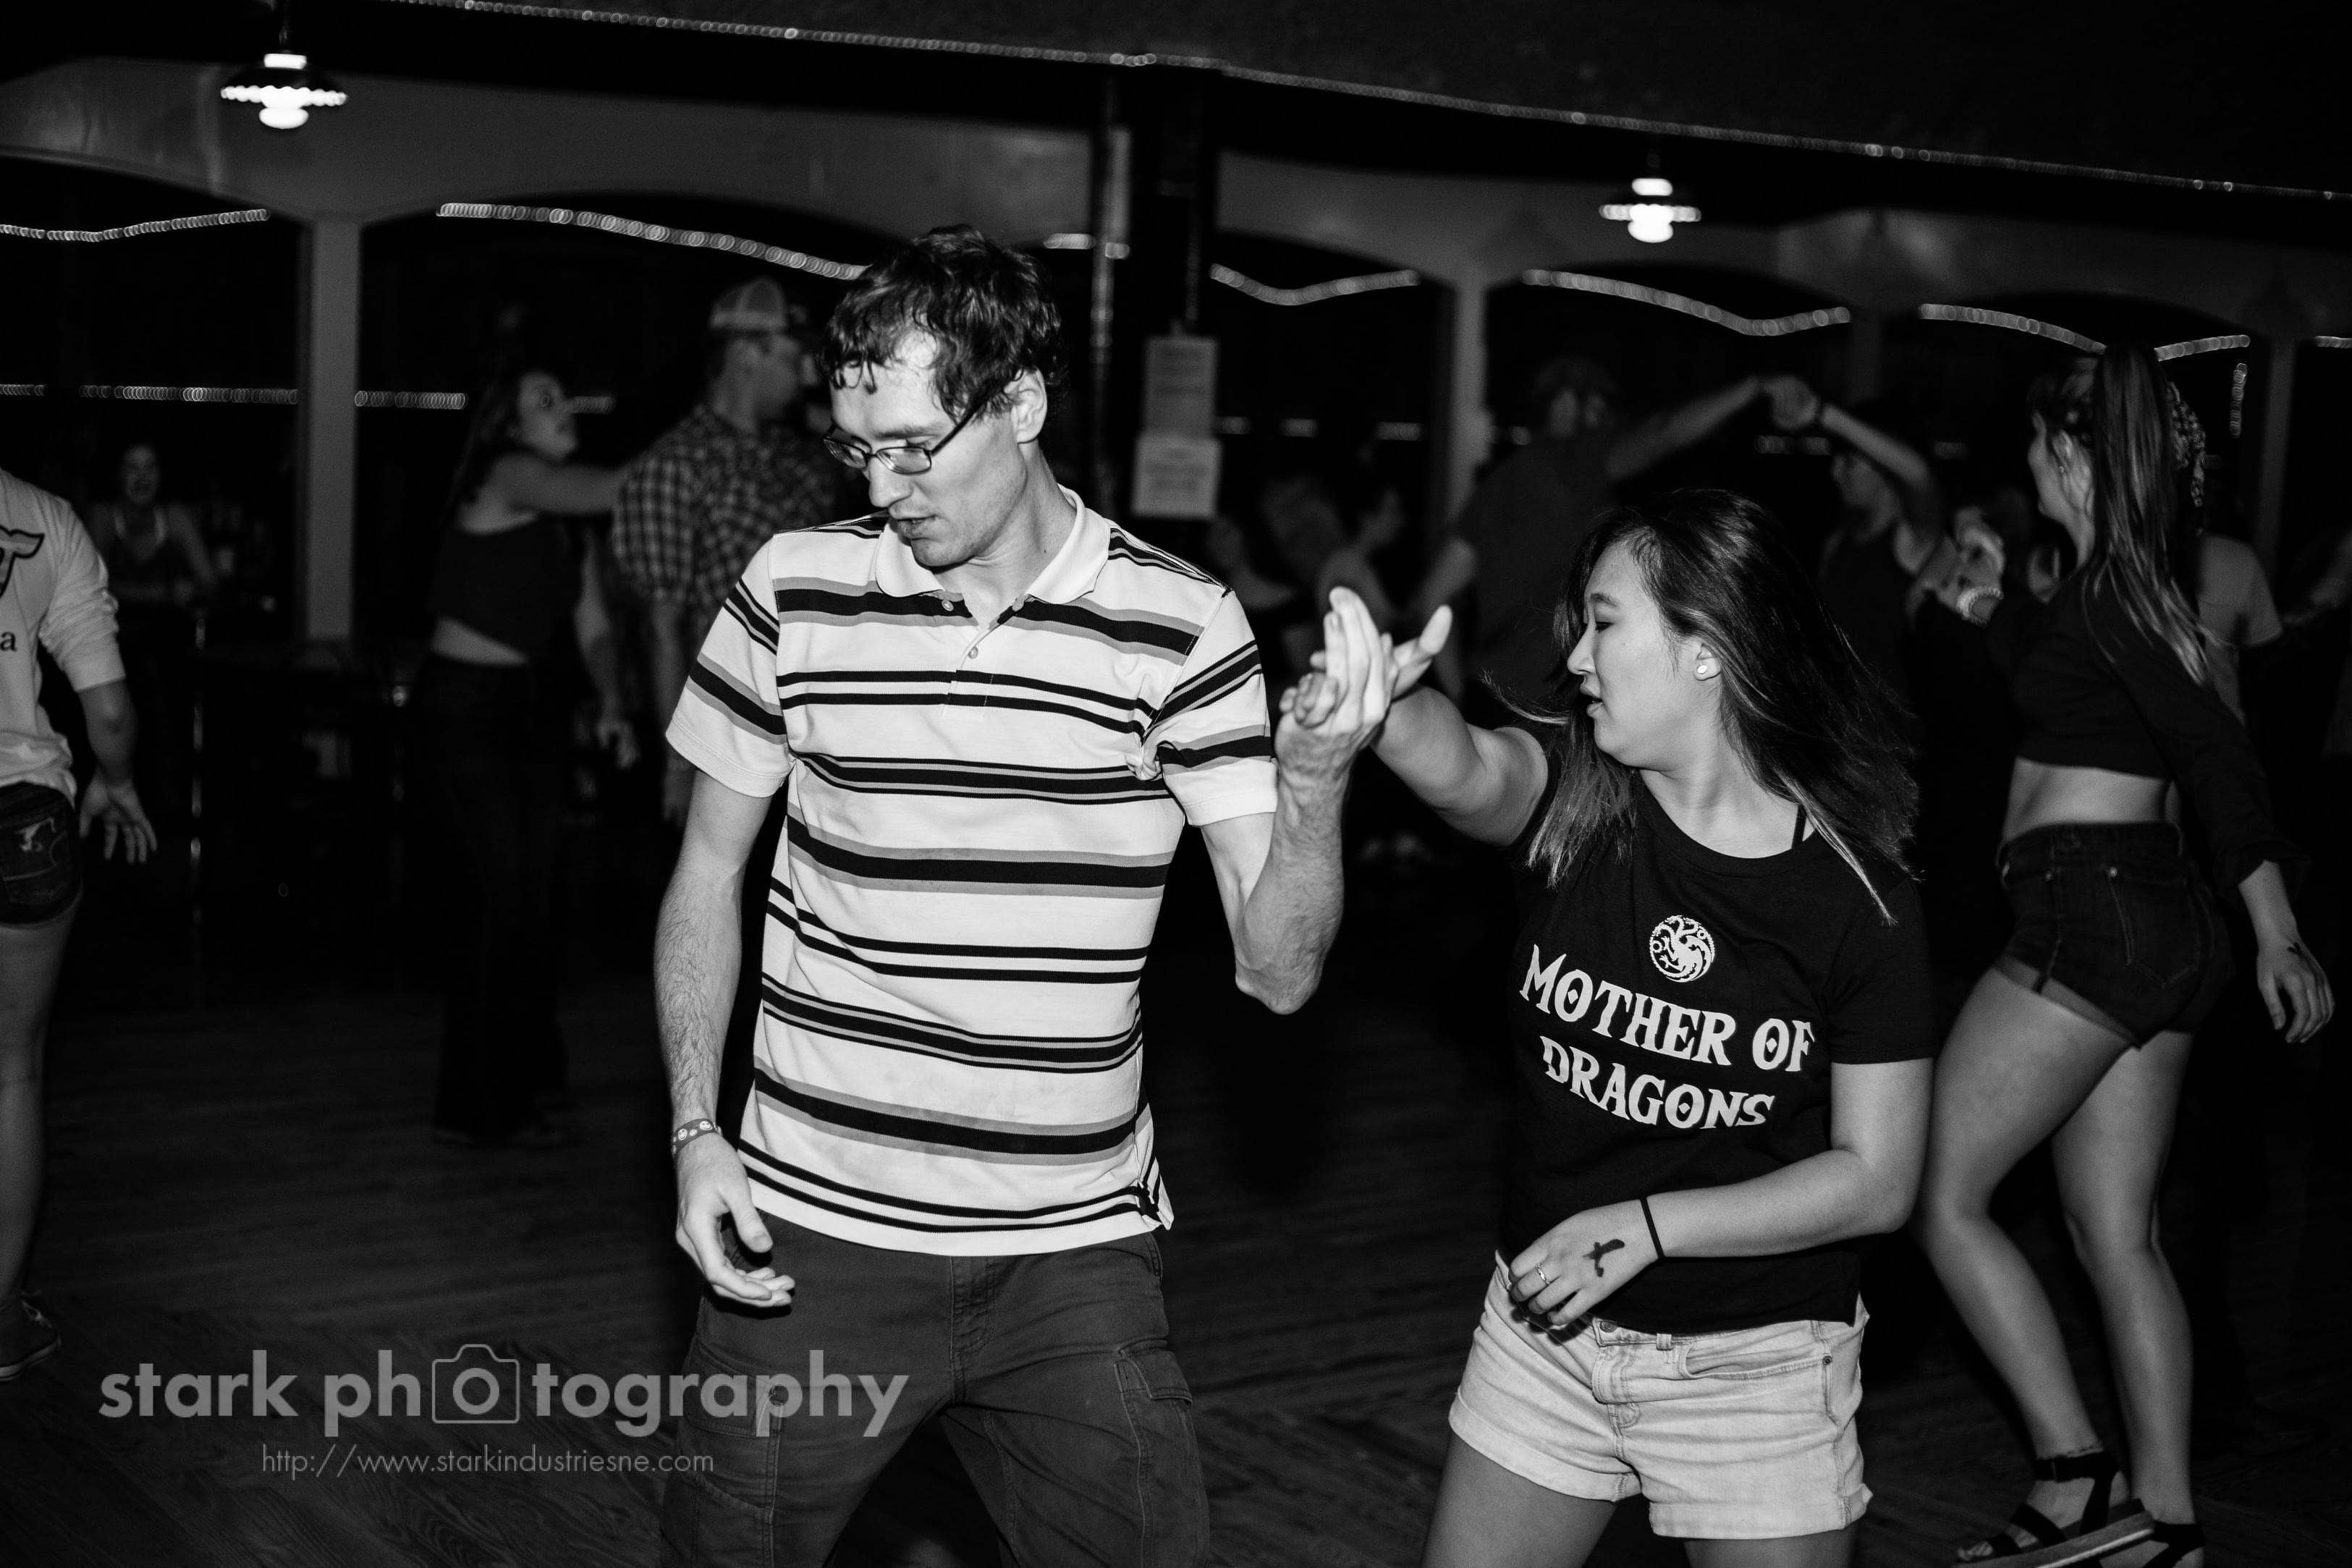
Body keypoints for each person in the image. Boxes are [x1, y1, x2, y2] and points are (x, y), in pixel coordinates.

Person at [650, 225, 1381, 1566]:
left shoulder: (1182, 625)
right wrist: (698, 1130)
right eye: (858, 451)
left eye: (915, 446)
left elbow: (1278, 971)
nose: (886, 486)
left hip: (1072, 1261)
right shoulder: (791, 593)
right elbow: (706, 873)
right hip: (813, 1241)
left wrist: (1318, 780)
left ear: (1023, 404)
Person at [1332, 487, 1934, 1567]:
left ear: (1706, 646)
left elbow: (1877, 1178)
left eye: (1604, 623)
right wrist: (1383, 710)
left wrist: (1647, 1226)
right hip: (1546, 1336)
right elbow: (1470, 770)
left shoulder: (1856, 898)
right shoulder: (1579, 802)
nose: (1575, 657)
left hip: (1754, 1367)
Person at [1911, 347, 2333, 1568]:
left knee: (1940, 1191)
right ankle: (2165, 1524)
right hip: (2145, 919)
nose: (2025, 461)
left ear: (2075, 453)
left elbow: (2217, 753)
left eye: (2038, 441)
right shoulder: (2111, 594)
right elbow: (2064, 689)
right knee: (2116, 1233)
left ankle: (2072, 1470)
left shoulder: (2118, 597)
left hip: (2094, 914)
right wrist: (1985, 608)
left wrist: (2280, 930)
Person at [421, 365, 640, 1150]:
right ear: (510, 424)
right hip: (465, 707)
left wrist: (611, 700)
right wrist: (695, 445)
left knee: (534, 898)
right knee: (497, 894)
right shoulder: (508, 472)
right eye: (543, 400)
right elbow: (612, 486)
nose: (562, 407)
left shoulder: (566, 523)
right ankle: (475, 1102)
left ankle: (521, 1070)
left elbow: (594, 627)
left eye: (564, 395)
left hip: (529, 710)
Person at [1403, 356, 1806, 713]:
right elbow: (1664, 432)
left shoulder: (1499, 483)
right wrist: (1754, 386)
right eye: (1599, 406)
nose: (1609, 421)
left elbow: (1432, 597)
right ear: (1565, 403)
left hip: (1488, 699)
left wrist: (1460, 697)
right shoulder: (1575, 462)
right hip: (1548, 704)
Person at [0, 467, 156, 1381]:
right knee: (11, 1071)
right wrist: (119, 782)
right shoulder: (44, 518)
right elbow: (109, 709)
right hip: (23, 818)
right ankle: (0, 1321)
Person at [614, 279, 838, 825]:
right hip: (728, 738)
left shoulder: (798, 454)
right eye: (793, 356)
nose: (805, 375)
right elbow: (662, 628)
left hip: (814, 730)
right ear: (745, 354)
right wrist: (679, 765)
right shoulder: (676, 466)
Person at [81, 441, 219, 608]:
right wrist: (162, 593)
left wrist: (193, 589)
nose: (142, 478)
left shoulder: (175, 516)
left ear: (162, 475)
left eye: (150, 468)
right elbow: (93, 588)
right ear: (118, 474)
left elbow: (210, 582)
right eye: (132, 468)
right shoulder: (102, 517)